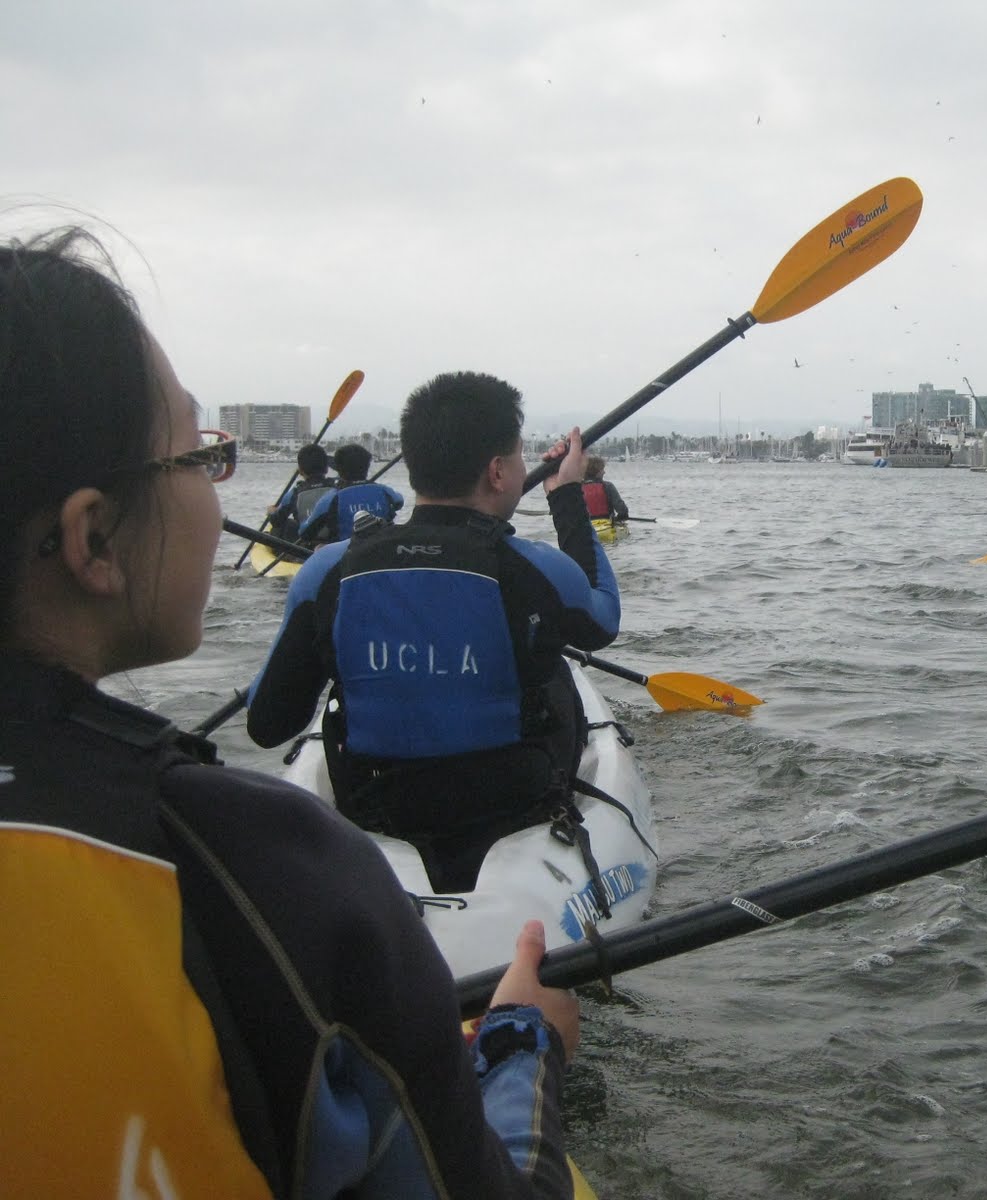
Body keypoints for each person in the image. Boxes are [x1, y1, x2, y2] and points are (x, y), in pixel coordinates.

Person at [0, 229, 579, 1197]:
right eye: (200, 455)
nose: (209, 478)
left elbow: (272, 724)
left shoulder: (329, 561)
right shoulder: (261, 871)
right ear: (93, 538)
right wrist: (522, 1046)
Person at [248, 372, 620, 892]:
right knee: (551, 662)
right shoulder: (536, 569)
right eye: (518, 456)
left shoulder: (326, 571)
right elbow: (603, 619)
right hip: (511, 807)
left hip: (377, 808)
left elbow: (268, 723)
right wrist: (566, 493)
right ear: (497, 472)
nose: (521, 468)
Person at [297, 442, 404, 544]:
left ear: (338, 470)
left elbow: (305, 533)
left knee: (320, 546)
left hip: (347, 555)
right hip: (382, 549)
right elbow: (399, 502)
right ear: (367, 466)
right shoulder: (384, 490)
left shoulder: (331, 497)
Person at [265, 442, 333, 538]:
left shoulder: (294, 493)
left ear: (300, 471)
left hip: (304, 546)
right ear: (326, 469)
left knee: (284, 525)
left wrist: (271, 512)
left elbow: (277, 521)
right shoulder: (337, 488)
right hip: (334, 542)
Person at [581, 455, 629, 524]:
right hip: (606, 525)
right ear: (596, 471)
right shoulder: (608, 486)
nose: (604, 472)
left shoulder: (577, 488)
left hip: (586, 526)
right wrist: (619, 518)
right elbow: (622, 511)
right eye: (602, 469)